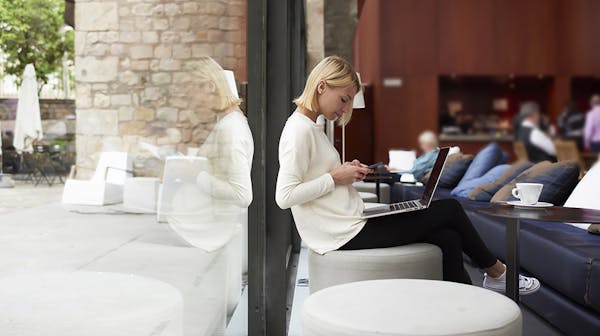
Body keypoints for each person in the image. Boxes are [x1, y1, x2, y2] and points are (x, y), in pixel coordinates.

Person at [275, 56, 540, 294]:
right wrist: (336, 177)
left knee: (448, 236)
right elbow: (285, 196)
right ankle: (497, 273)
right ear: (322, 86)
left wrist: (346, 173)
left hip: (350, 222)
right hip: (342, 233)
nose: (345, 110)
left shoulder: (311, 126)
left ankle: (465, 303)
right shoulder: (299, 131)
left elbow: (319, 176)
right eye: (344, 100)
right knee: (450, 209)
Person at [166, 57, 253, 252]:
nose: (191, 104)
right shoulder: (226, 124)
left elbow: (241, 195)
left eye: (191, 96)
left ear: (210, 86)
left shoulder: (231, 129)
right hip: (200, 234)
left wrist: (193, 174)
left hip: (207, 238)